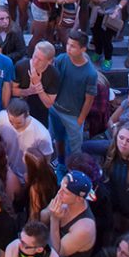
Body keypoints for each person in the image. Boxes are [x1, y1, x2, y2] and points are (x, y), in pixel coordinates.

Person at [41, 170, 97, 257]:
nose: (59, 192)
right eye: (60, 187)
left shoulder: (85, 227)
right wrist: (50, 212)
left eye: (65, 192)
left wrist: (54, 219)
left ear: (79, 198)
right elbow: (42, 218)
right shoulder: (64, 199)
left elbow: (56, 253)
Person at [49, 32, 98, 163]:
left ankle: (73, 170)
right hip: (55, 109)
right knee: (58, 139)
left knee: (74, 150)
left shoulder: (90, 73)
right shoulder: (61, 59)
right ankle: (60, 164)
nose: (69, 48)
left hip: (73, 116)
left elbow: (89, 99)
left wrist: (81, 119)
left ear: (83, 49)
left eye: (73, 46)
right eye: (68, 44)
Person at [0, 99, 53, 187]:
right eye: (11, 122)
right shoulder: (1, 117)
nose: (14, 126)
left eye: (19, 123)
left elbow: (46, 159)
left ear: (27, 115)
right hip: (5, 172)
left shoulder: (42, 135)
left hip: (27, 178)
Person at [12, 41, 59, 128]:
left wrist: (38, 84)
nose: (35, 61)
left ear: (49, 61)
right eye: (35, 56)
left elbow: (48, 104)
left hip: (40, 114)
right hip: (19, 112)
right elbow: (12, 90)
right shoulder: (21, 66)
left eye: (40, 60)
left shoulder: (54, 74)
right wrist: (29, 91)